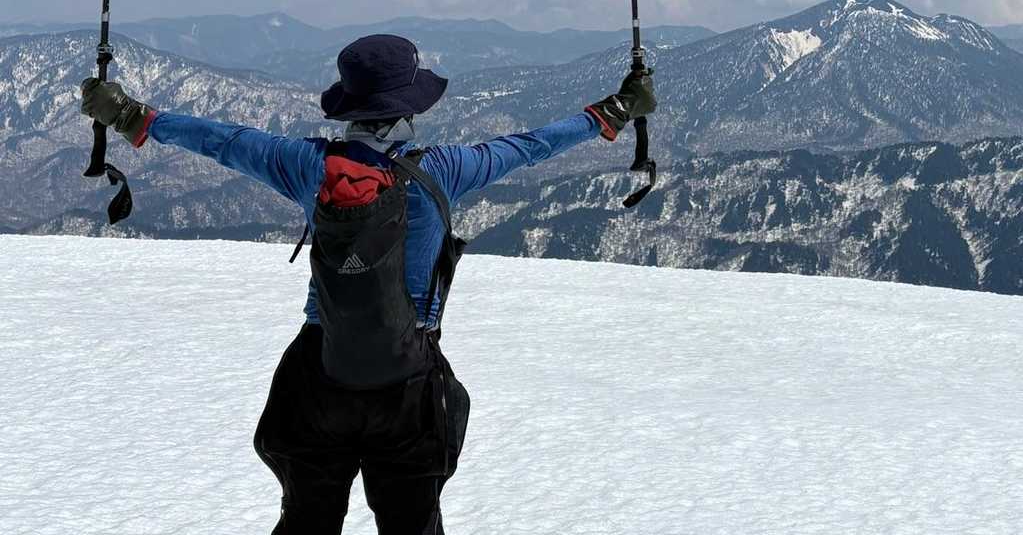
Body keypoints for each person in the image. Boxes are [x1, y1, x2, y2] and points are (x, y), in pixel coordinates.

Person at [81, 32, 656, 535]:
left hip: (319, 369)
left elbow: (224, 140)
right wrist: (615, 109)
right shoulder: (445, 169)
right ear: (410, 107)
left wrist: (132, 116)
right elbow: (531, 145)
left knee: (306, 521)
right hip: (408, 379)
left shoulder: (308, 165)